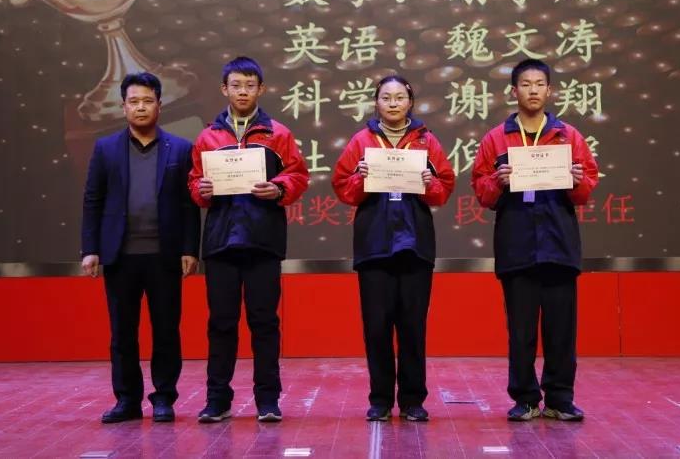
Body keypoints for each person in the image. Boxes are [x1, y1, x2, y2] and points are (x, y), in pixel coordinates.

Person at [471, 58, 599, 422]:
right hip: (517, 244)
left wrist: (577, 181)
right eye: (525, 84)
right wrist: (498, 182)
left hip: (559, 244)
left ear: (549, 90)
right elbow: (481, 190)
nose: (532, 90)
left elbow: (586, 189)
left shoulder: (568, 136)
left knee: (561, 330)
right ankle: (525, 398)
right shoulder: (496, 138)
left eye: (539, 84)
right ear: (514, 91)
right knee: (521, 330)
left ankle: (560, 398)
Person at [189, 57, 309, 423]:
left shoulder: (278, 133)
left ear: (261, 89)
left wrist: (278, 188)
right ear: (224, 89)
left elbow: (298, 175)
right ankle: (217, 400)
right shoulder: (208, 136)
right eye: (236, 85)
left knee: (264, 322)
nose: (243, 92)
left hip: (263, 242)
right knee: (221, 323)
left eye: (250, 85)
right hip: (221, 243)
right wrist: (201, 190)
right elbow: (194, 183)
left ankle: (267, 400)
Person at [332, 75, 455, 422]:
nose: (393, 103)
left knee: (413, 327)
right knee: (377, 327)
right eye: (386, 98)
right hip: (374, 246)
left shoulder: (427, 140)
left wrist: (430, 184)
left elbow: (445, 187)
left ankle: (413, 400)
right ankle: (381, 400)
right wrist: (360, 178)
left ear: (410, 102)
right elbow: (342, 187)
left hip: (415, 245)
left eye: (399, 97)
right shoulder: (361, 141)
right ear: (376, 102)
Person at [80, 72, 201, 424]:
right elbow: (93, 200)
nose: (141, 107)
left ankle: (163, 398)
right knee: (122, 333)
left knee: (166, 331)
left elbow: (188, 205)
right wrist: (90, 249)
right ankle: (127, 401)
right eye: (133, 101)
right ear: (123, 107)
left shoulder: (180, 148)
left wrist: (190, 248)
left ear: (160, 105)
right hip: (120, 256)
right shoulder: (105, 148)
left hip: (165, 255)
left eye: (148, 101)